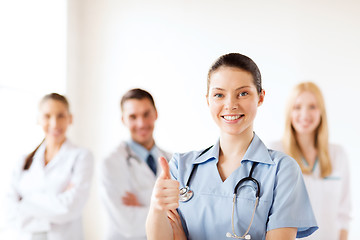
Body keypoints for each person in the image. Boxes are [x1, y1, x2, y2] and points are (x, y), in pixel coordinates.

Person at [146, 53, 318, 240]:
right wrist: (157, 206)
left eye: (243, 93)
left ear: (260, 97)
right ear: (208, 100)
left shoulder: (282, 170)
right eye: (219, 95)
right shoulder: (181, 166)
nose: (230, 105)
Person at [5, 93, 94, 240]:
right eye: (47, 116)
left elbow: (70, 208)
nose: (54, 123)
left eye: (60, 116)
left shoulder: (82, 157)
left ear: (70, 119)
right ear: (38, 119)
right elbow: (9, 212)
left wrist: (24, 202)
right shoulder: (23, 162)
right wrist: (54, 204)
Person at [269, 82, 351, 240]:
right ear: (289, 113)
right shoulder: (275, 152)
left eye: (312, 106)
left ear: (321, 112)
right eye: (297, 107)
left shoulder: (338, 154)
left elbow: (344, 214)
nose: (305, 114)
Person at [99, 88, 172, 240]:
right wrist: (164, 210)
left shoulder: (172, 160)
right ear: (123, 120)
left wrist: (143, 204)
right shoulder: (111, 163)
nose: (141, 123)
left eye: (146, 114)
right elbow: (128, 224)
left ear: (156, 114)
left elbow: (184, 215)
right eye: (133, 117)